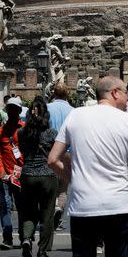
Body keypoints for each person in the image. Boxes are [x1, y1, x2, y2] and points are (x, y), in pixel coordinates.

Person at [47, 76, 128, 257]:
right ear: (114, 93)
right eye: (126, 93)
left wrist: (73, 177)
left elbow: (53, 159)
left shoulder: (76, 116)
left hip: (83, 205)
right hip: (117, 204)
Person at [18, 97, 58, 257]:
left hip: (27, 175)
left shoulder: (22, 133)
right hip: (48, 175)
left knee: (28, 211)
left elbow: (22, 151)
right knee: (47, 214)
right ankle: (42, 251)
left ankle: (26, 239)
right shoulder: (52, 133)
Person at [0, 96, 25, 249]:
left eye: (14, 109)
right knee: (5, 205)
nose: (11, 111)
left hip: (21, 175)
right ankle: (7, 236)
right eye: (9, 108)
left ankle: (24, 236)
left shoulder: (24, 130)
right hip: (4, 175)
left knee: (22, 206)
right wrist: (1, 170)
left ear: (19, 111)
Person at [47, 82, 74, 231]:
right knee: (63, 189)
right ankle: (59, 209)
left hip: (50, 152)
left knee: (50, 187)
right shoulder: (73, 111)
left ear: (54, 93)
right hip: (67, 153)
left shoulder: (48, 108)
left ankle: (50, 214)